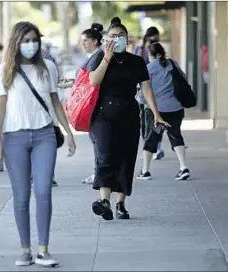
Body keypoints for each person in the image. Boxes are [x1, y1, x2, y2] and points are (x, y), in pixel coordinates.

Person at [0, 21, 76, 267]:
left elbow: (55, 101)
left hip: (44, 136)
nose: (31, 44)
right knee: (21, 196)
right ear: (16, 42)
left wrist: (68, 132)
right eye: (25, 40)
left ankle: (43, 250)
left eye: (34, 39)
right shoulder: (4, 70)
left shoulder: (47, 67)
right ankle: (25, 250)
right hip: (14, 137)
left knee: (43, 191)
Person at [87, 17, 168, 221]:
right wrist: (106, 57)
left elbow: (146, 88)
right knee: (105, 154)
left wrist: (156, 113)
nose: (117, 40)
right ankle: (104, 200)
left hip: (129, 113)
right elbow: (94, 80)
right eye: (113, 36)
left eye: (121, 36)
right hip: (103, 114)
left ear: (128, 39)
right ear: (106, 39)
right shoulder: (99, 57)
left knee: (126, 158)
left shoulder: (136, 61)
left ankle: (120, 204)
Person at [137, 42, 190, 181]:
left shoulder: (148, 68)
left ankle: (145, 171)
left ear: (150, 55)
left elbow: (144, 92)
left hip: (157, 112)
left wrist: (141, 103)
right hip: (175, 109)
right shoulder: (173, 64)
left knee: (151, 138)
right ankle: (183, 167)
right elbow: (183, 80)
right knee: (176, 136)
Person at [134, 26, 165, 160]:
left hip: (150, 91)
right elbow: (136, 64)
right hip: (148, 89)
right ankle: (151, 147)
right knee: (149, 120)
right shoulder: (144, 48)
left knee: (152, 120)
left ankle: (153, 147)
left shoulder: (148, 48)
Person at [79, 22, 104, 185]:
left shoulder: (97, 57)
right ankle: (98, 172)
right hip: (93, 105)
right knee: (96, 141)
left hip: (95, 106)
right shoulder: (95, 57)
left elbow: (91, 81)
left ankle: (100, 173)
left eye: (86, 41)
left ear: (94, 41)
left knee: (98, 142)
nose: (83, 44)